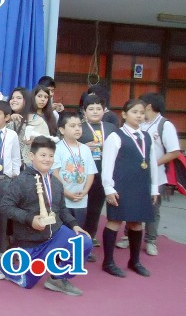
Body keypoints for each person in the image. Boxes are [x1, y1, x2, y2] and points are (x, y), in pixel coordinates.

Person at [0, 136, 92, 296]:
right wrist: (30, 219)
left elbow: (62, 209)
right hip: (31, 242)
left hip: (55, 234)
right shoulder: (20, 181)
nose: (47, 159)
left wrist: (75, 225)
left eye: (50, 156)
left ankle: (57, 278)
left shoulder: (55, 182)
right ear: (31, 156)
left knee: (83, 241)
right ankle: (7, 268)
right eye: (43, 155)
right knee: (27, 284)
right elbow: (5, 207)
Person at [115, 93, 180, 256]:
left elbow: (174, 152)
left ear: (148, 106)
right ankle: (128, 236)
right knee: (131, 204)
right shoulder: (140, 124)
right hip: (134, 175)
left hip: (155, 176)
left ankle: (151, 240)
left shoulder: (165, 125)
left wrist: (151, 164)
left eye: (141, 108)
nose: (139, 113)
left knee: (151, 208)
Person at [101, 99, 158, 278]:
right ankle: (108, 262)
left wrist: (154, 188)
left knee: (137, 223)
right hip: (120, 186)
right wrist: (108, 188)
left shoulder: (147, 137)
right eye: (135, 112)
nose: (139, 116)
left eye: (142, 113)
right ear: (124, 114)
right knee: (115, 221)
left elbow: (153, 164)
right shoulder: (115, 136)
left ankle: (134, 261)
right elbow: (107, 164)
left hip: (141, 186)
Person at [79, 95, 117, 253]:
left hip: (103, 175)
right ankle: (76, 242)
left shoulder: (111, 128)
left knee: (95, 210)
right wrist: (83, 146)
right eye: (91, 109)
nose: (95, 112)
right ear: (84, 112)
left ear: (104, 110)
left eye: (98, 109)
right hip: (81, 176)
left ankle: (88, 241)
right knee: (81, 210)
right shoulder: (78, 127)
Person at [52, 112, 97, 246]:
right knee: (62, 230)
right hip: (63, 199)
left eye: (79, 125)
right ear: (62, 130)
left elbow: (90, 173)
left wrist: (85, 191)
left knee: (78, 228)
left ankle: (75, 254)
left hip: (81, 199)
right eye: (72, 126)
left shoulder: (85, 149)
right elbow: (55, 173)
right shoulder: (58, 148)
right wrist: (66, 193)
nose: (77, 129)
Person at [0, 101, 20, 252]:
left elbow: (15, 158)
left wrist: (15, 176)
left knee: (2, 216)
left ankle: (0, 248)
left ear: (7, 117)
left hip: (5, 179)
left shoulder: (12, 135)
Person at [8, 87, 49, 167]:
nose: (14, 100)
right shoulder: (8, 119)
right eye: (12, 98)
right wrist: (8, 119)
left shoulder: (38, 121)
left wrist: (34, 141)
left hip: (31, 166)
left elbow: (47, 144)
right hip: (9, 165)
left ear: (26, 101)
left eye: (19, 98)